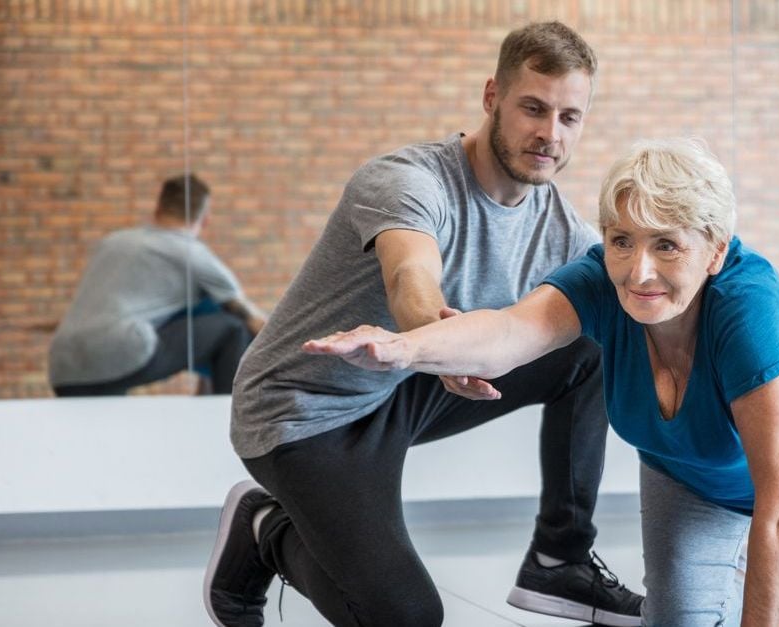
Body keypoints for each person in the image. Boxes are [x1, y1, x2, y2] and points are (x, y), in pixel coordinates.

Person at [305, 138, 779, 626]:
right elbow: (506, 334)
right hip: (692, 471)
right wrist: (404, 346)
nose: (639, 271)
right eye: (622, 240)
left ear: (715, 249)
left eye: (667, 244)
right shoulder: (600, 280)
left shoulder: (747, 309)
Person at [203, 22, 645, 627]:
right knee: (406, 618)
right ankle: (265, 529)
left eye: (570, 117)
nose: (549, 134)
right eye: (533, 109)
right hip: (302, 411)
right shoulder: (408, 180)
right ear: (492, 98)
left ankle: (558, 558)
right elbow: (412, 275)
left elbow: (634, 301)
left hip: (401, 389)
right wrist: (420, 343)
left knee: (594, 340)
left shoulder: (561, 229)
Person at [49, 174, 266, 397]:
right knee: (232, 328)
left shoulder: (112, 242)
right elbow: (251, 318)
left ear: (158, 209)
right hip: (118, 356)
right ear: (205, 220)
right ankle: (226, 419)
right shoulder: (191, 252)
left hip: (63, 366)